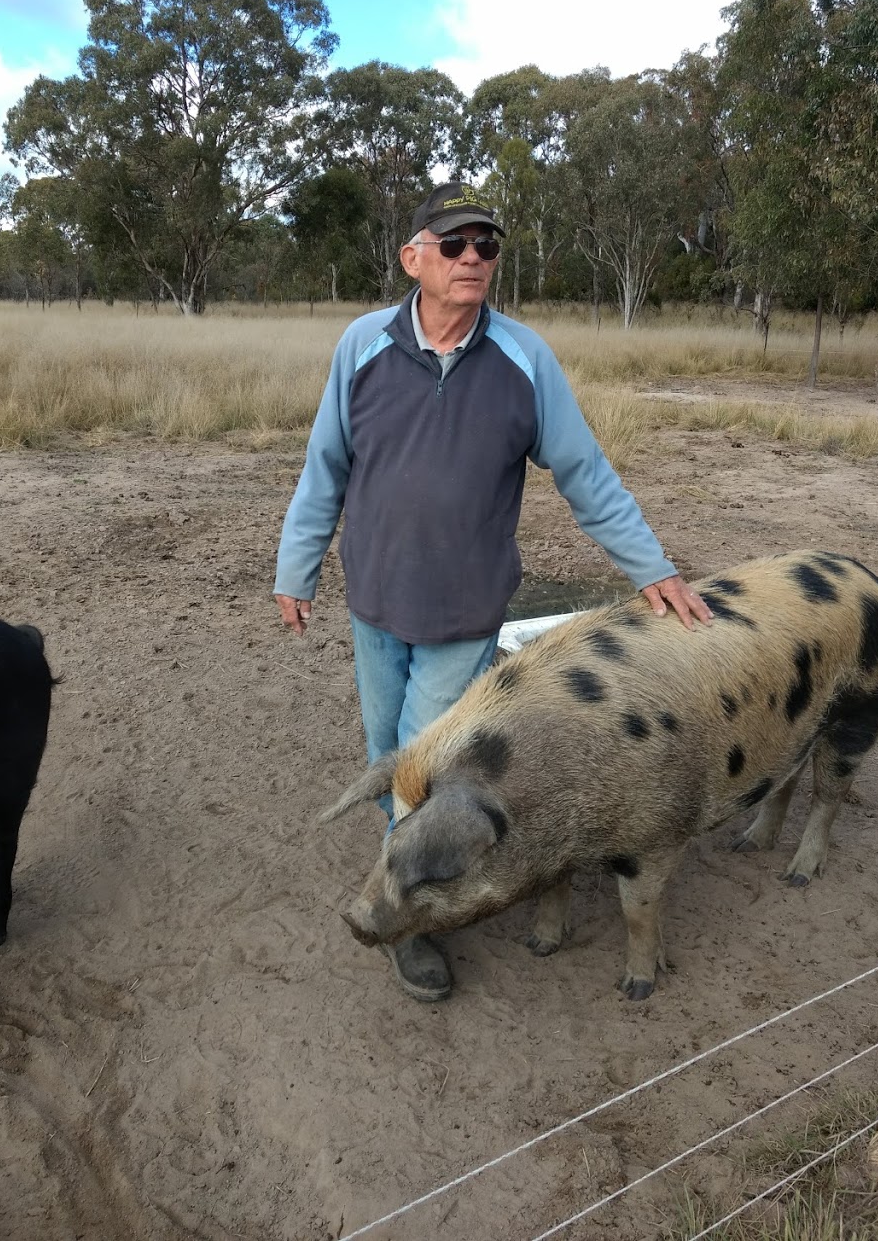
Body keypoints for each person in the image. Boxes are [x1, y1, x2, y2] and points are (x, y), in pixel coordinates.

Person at [274, 179, 712, 1002]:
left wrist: (653, 568)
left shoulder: (523, 359)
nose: (474, 258)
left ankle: (407, 922)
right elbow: (324, 468)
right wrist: (296, 570)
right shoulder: (361, 346)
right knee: (386, 757)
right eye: (455, 244)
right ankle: (411, 870)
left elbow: (586, 475)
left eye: (488, 246)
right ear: (414, 258)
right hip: (374, 604)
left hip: (463, 616)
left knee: (420, 767)